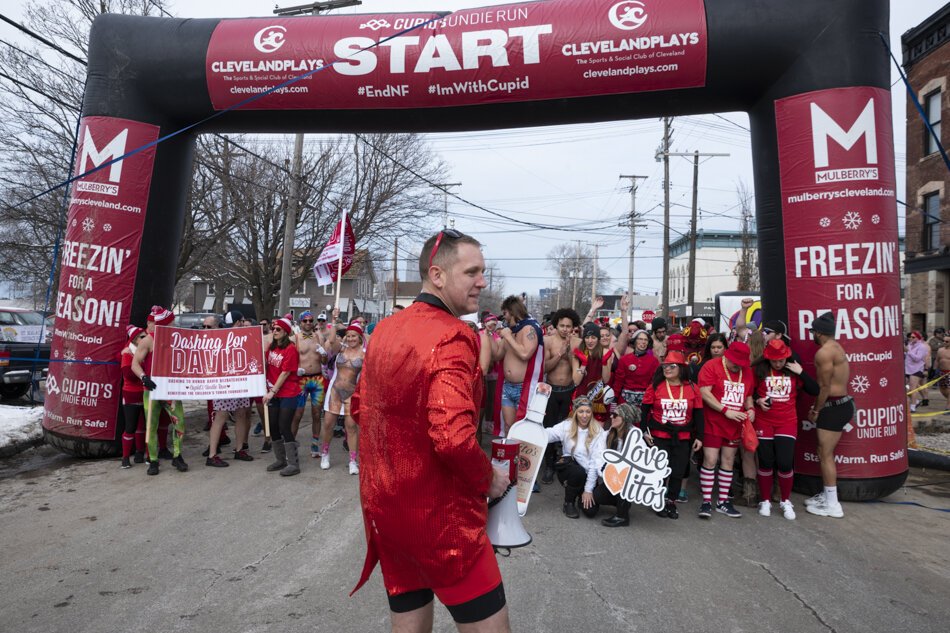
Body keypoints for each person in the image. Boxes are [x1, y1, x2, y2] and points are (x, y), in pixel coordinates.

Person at [352, 229, 511, 632]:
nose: (482, 282)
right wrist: (489, 478)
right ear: (437, 275)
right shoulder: (453, 334)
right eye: (472, 272)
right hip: (442, 521)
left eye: (483, 272)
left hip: (388, 510)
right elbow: (453, 438)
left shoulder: (384, 329)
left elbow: (359, 408)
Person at [752, 339, 819, 520]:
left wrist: (801, 372)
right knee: (766, 461)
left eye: (781, 360)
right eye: (774, 361)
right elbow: (749, 391)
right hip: (764, 421)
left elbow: (815, 390)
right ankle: (765, 500)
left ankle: (786, 501)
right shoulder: (759, 370)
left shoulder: (793, 369)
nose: (778, 364)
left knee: (785, 462)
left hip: (787, 422)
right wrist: (758, 400)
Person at [640, 351, 704, 519]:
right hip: (659, 435)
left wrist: (700, 437)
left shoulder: (692, 388)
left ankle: (671, 501)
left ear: (681, 368)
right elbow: (644, 411)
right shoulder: (655, 386)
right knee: (660, 470)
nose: (667, 369)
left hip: (683, 437)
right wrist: (644, 432)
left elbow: (698, 414)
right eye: (665, 366)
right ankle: (658, 499)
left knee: (678, 471)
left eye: (671, 366)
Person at [697, 340, 755, 519]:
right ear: (727, 356)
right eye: (735, 363)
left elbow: (748, 395)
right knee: (710, 459)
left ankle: (723, 501)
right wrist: (725, 410)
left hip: (735, 423)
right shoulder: (711, 366)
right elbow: (704, 392)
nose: (737, 366)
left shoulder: (747, 371)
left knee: (728, 461)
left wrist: (751, 409)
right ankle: (706, 501)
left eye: (741, 364)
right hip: (713, 421)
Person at [805, 312, 853, 519]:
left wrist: (816, 410)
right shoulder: (837, 347)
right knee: (822, 451)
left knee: (825, 455)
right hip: (841, 404)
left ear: (818, 333)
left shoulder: (823, 353)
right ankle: (827, 496)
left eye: (812, 332)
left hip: (833, 406)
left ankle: (833, 505)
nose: (812, 335)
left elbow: (824, 387)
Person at [131, 306, 188, 476]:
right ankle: (153, 460)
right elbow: (135, 364)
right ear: (164, 324)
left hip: (172, 389)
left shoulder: (177, 338)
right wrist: (144, 377)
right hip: (152, 390)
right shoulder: (148, 340)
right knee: (151, 426)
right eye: (172, 322)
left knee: (180, 423)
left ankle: (177, 456)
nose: (174, 325)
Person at [543, 397, 606, 519]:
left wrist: (588, 490)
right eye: (581, 411)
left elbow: (595, 463)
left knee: (591, 511)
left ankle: (579, 493)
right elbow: (547, 435)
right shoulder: (566, 426)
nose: (584, 415)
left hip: (588, 473)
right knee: (578, 472)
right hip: (569, 469)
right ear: (575, 412)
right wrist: (538, 422)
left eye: (588, 412)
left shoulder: (598, 431)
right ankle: (569, 502)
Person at [318, 310, 365, 474]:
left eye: (354, 336)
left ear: (360, 337)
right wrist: (334, 320)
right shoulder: (341, 349)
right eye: (349, 336)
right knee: (328, 424)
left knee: (351, 427)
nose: (351, 339)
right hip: (334, 393)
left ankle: (353, 461)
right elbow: (331, 341)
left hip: (352, 395)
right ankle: (325, 453)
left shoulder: (365, 354)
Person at [206, 310, 254, 467]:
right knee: (221, 416)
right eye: (242, 321)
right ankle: (212, 455)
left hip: (240, 381)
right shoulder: (221, 336)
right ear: (239, 322)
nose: (243, 324)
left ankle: (239, 449)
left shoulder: (244, 336)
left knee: (241, 414)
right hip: (225, 382)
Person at [540, 307, 581, 484]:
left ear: (573, 327)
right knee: (548, 428)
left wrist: (570, 353)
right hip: (551, 391)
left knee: (569, 430)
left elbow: (578, 369)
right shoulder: (547, 341)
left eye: (568, 326)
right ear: (556, 325)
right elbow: (544, 368)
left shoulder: (577, 342)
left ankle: (566, 465)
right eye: (562, 325)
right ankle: (549, 465)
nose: (565, 329)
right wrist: (559, 354)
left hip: (569, 391)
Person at [494, 295, 543, 435]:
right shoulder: (511, 330)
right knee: (508, 427)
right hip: (507, 386)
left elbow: (525, 354)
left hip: (524, 387)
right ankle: (509, 450)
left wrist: (508, 337)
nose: (504, 317)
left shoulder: (529, 328)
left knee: (523, 430)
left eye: (505, 313)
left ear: (512, 311)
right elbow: (497, 356)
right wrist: (488, 334)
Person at [263, 315, 303, 477]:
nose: (274, 331)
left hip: (288, 392)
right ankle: (280, 459)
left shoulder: (290, 349)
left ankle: (293, 463)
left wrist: (272, 392)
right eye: (273, 328)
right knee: (273, 426)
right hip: (273, 391)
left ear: (286, 332)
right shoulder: (272, 347)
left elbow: (285, 373)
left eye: (278, 329)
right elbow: (265, 364)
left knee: (284, 426)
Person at [592, 403, 639, 527]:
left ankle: (622, 516)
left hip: (629, 478)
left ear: (625, 418)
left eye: (615, 415)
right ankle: (622, 504)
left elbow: (638, 462)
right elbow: (598, 457)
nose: (611, 417)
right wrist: (605, 473)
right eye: (611, 414)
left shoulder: (635, 436)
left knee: (624, 478)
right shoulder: (607, 434)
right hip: (612, 476)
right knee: (598, 496)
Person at [290, 310, 329, 458]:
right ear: (300, 322)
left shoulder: (319, 337)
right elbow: (289, 359)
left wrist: (324, 354)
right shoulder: (294, 339)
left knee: (316, 413)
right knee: (297, 414)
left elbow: (324, 361)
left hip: (317, 379)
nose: (308, 323)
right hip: (301, 380)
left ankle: (315, 443)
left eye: (310, 320)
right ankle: (291, 444)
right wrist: (295, 370)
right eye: (305, 320)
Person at [119, 325, 148, 468]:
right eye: (142, 336)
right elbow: (129, 375)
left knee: (147, 426)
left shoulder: (145, 351)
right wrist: (143, 370)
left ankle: (146, 454)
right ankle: (125, 458)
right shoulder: (128, 353)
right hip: (131, 395)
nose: (146, 338)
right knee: (130, 427)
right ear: (135, 339)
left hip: (146, 393)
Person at [613, 330, 659, 408]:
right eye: (640, 339)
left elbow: (654, 383)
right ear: (634, 341)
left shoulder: (654, 361)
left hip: (645, 401)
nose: (643, 342)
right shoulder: (624, 359)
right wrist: (615, 398)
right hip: (625, 400)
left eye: (645, 340)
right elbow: (619, 381)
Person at [904, 331, 928, 412]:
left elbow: (917, 358)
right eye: (910, 337)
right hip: (907, 369)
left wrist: (908, 351)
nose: (911, 338)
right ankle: (916, 401)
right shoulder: (909, 345)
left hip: (916, 369)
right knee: (905, 388)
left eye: (913, 337)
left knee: (913, 388)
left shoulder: (922, 347)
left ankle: (913, 406)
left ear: (918, 338)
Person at [936, 332, 950, 409]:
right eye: (943, 341)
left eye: (947, 341)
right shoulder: (940, 350)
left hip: (949, 372)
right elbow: (937, 360)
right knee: (943, 390)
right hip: (941, 372)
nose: (944, 343)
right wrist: (935, 370)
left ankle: (948, 407)